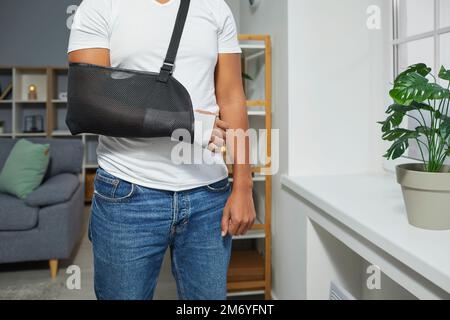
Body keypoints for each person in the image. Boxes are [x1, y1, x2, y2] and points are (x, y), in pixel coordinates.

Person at [67, 0, 256, 300]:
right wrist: (186, 124)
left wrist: (244, 185)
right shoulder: (100, 6)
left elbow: (232, 96)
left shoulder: (215, 8)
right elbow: (91, 104)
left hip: (208, 196)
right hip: (127, 194)